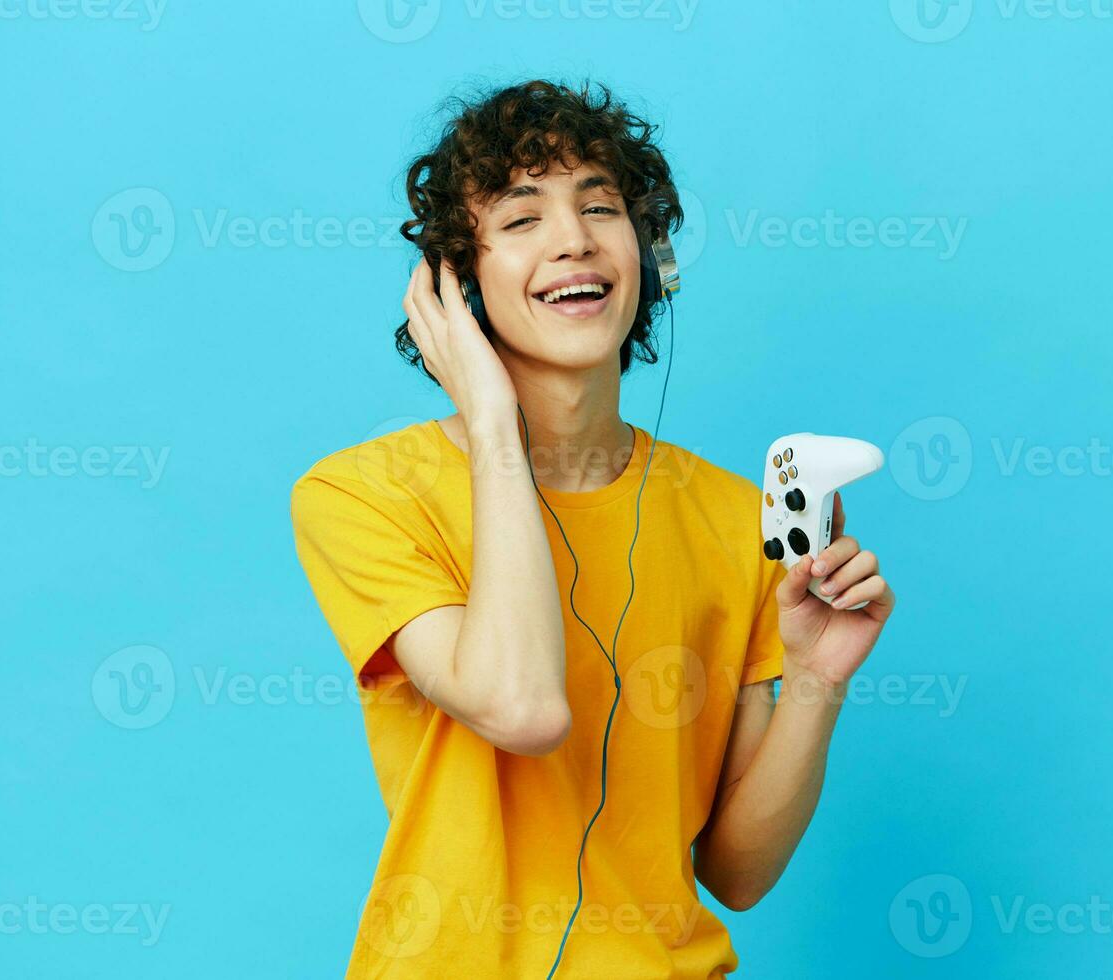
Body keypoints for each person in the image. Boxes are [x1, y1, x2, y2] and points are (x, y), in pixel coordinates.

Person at [289, 78, 897, 978]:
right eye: (521, 217)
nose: (573, 238)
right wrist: (492, 422)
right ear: (455, 283)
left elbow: (737, 872)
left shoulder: (736, 519)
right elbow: (523, 709)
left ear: (648, 256)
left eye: (602, 206)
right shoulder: (366, 495)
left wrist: (815, 677)